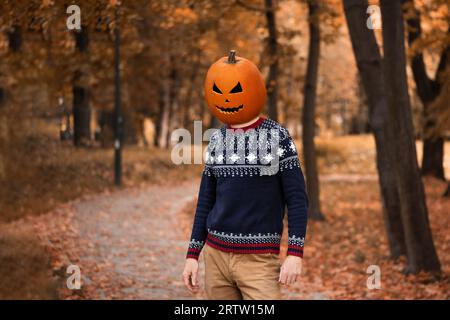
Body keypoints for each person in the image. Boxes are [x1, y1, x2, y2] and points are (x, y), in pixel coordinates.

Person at [182, 50, 308, 300]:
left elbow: (296, 198)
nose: (226, 98)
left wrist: (295, 253)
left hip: (259, 261)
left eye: (236, 90)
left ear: (254, 88)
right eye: (218, 91)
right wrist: (192, 255)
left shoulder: (278, 136)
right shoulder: (217, 139)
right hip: (216, 258)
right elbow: (206, 201)